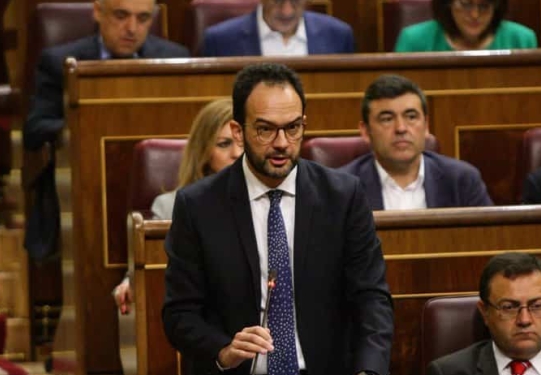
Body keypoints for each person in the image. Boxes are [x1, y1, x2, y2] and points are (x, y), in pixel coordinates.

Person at [162, 63, 393, 375]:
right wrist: (223, 350)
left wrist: (369, 370)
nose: (282, 142)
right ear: (237, 131)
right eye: (265, 129)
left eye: (293, 127)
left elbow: (372, 297)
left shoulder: (342, 196)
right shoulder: (198, 205)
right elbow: (180, 313)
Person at [23, 0, 190, 261]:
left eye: (143, 18)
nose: (132, 28)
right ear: (98, 12)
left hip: (161, 183)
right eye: (121, 16)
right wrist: (86, 125)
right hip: (89, 188)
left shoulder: (175, 58)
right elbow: (34, 128)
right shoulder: (60, 62)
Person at [113, 98, 242, 314]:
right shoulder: (168, 206)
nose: (237, 153)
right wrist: (130, 283)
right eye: (224, 144)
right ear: (203, 151)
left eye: (244, 143)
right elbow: (151, 267)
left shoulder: (271, 202)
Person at [427, 252, 541, 375]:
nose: (524, 320)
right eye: (509, 307)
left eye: (537, 306)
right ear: (485, 312)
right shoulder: (447, 372)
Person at [340, 74, 493, 210]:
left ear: (426, 126)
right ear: (366, 131)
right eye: (387, 119)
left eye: (411, 117)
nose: (401, 128)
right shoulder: (342, 189)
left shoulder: (461, 180)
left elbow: (488, 239)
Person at [201, 0, 355, 57]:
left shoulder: (339, 36)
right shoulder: (220, 41)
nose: (287, 11)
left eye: (295, 1)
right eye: (277, 1)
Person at [394, 0, 537, 52]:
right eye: (466, 4)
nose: (475, 14)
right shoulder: (413, 41)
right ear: (447, 4)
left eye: (484, 6)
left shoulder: (522, 40)